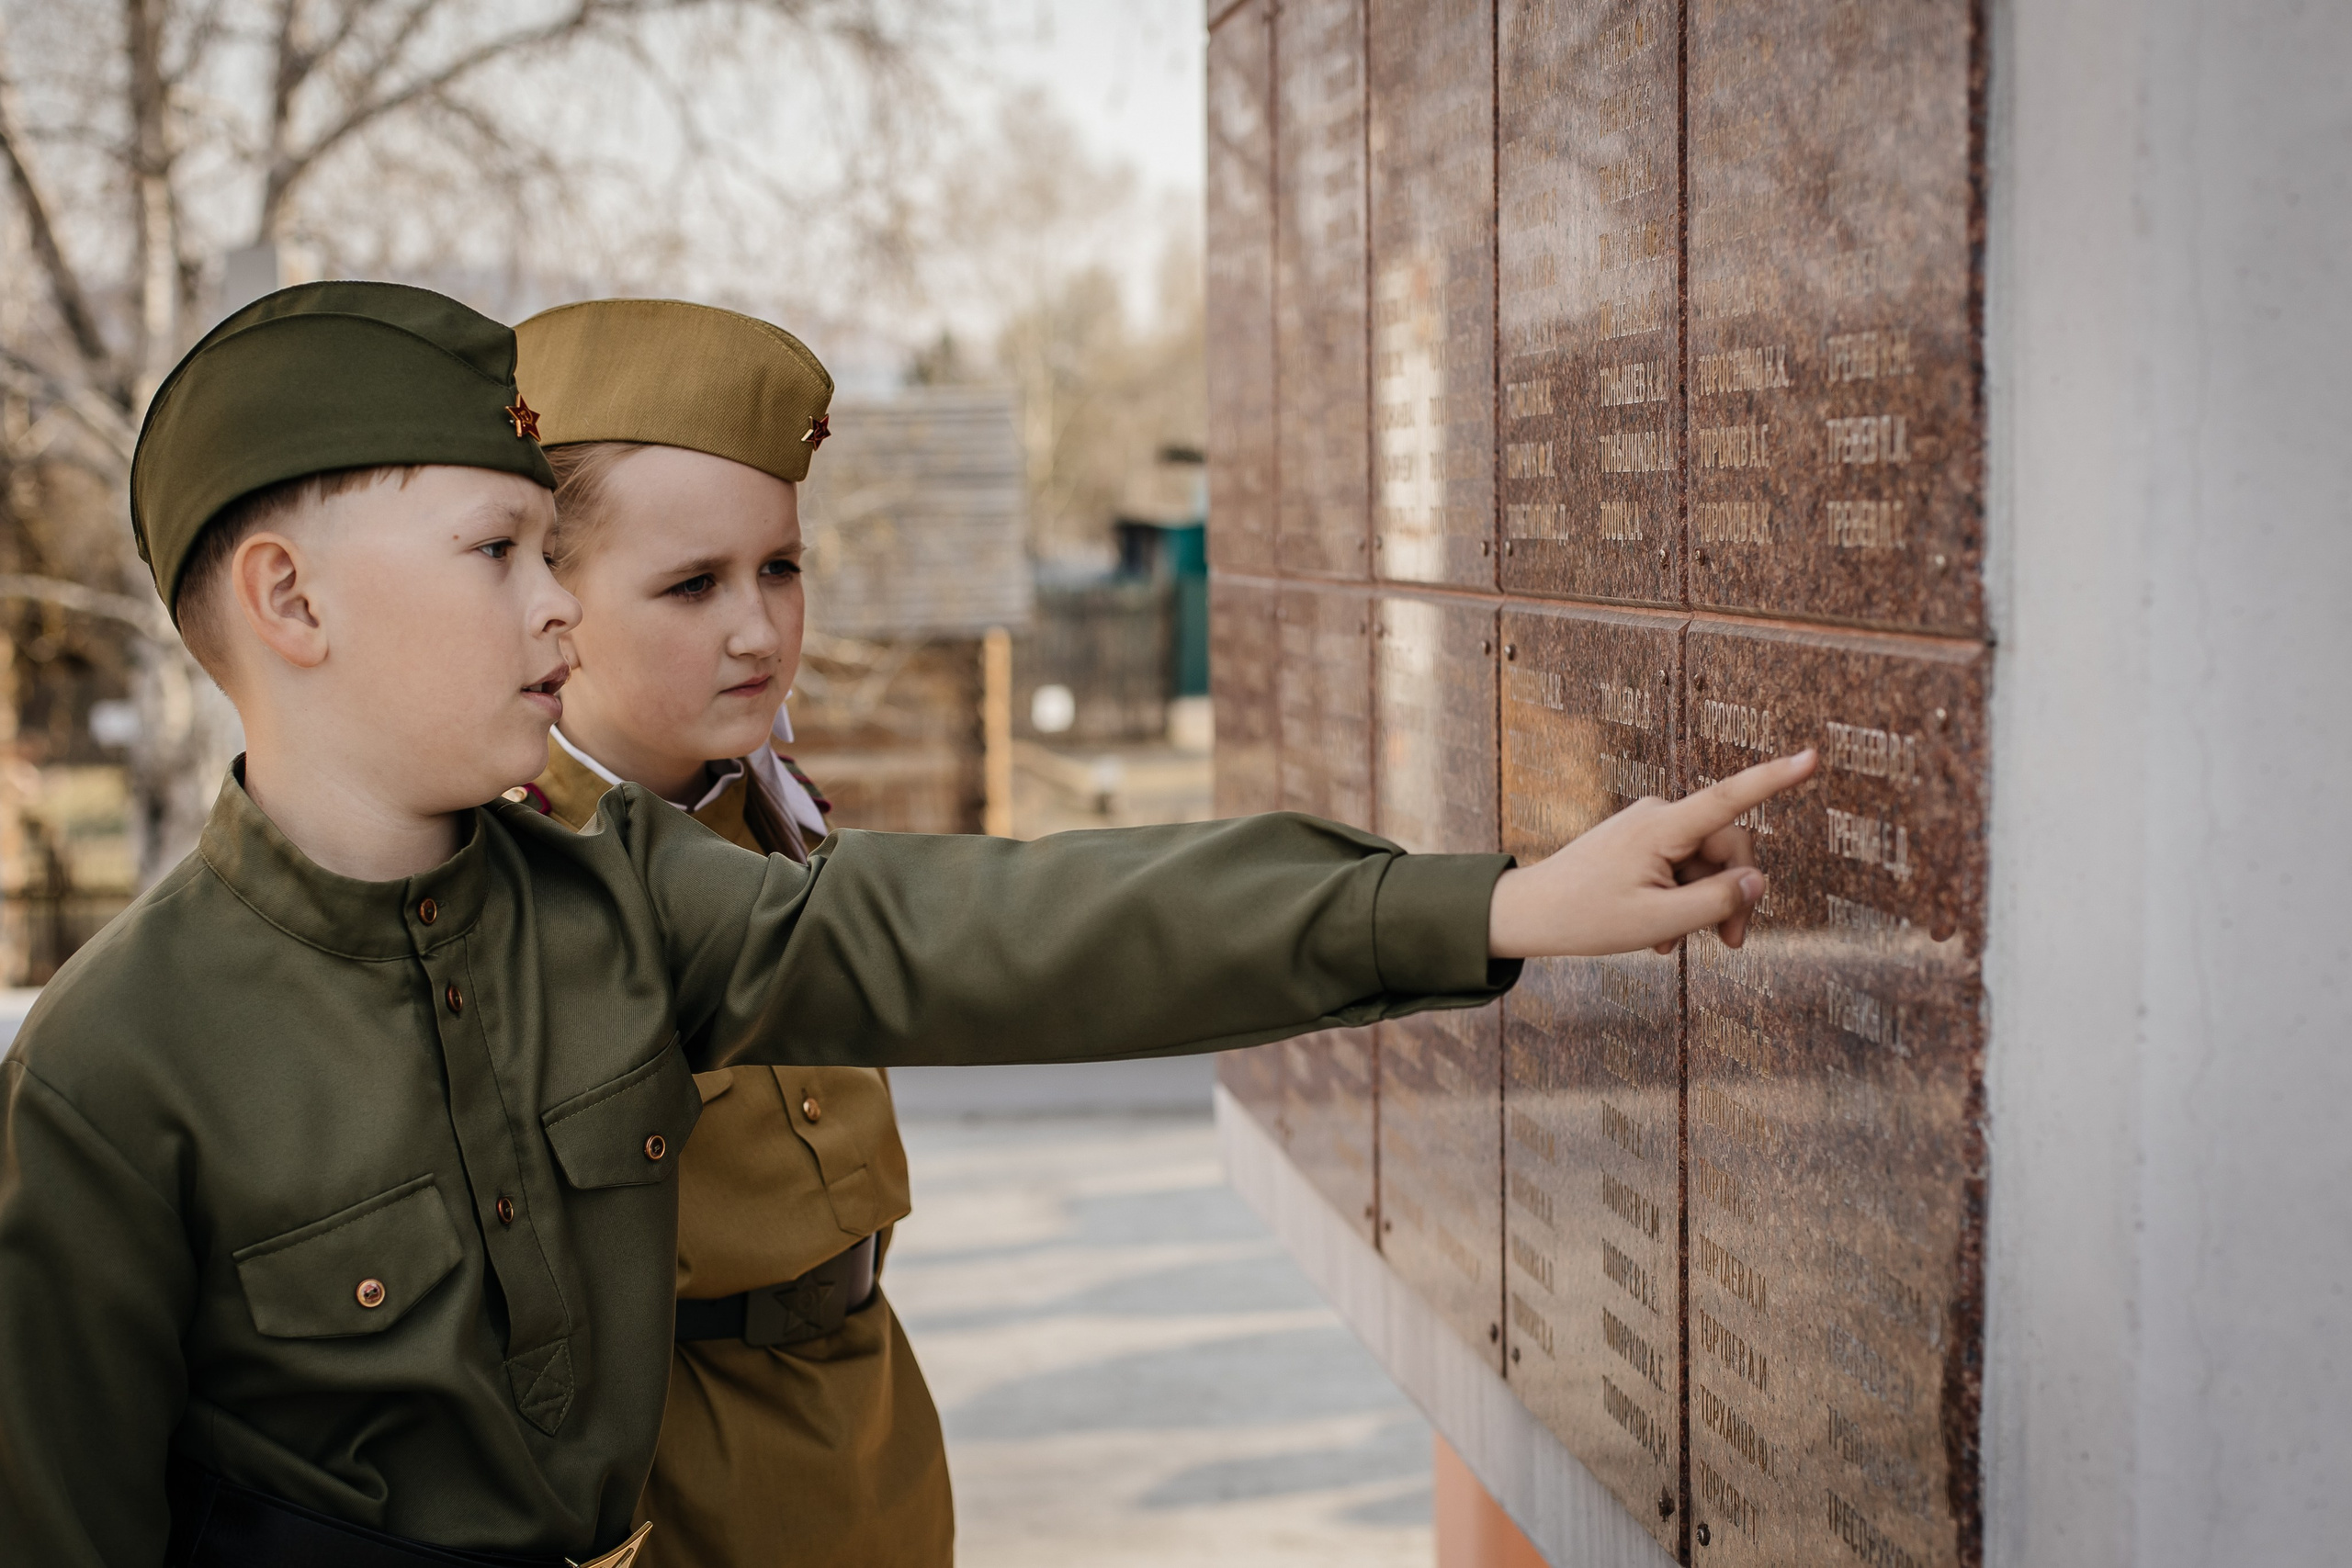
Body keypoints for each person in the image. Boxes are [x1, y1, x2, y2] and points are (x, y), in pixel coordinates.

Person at [0, 280, 1814, 1568]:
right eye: (505, 554)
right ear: (287, 596)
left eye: (561, 552)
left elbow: (1013, 926)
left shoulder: (616, 898)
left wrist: (1487, 900)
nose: (560, 610)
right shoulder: (107, 1079)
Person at [512, 298, 949, 1567]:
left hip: (867, 1426)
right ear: (550, 596)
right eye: (692, 584)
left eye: (780, 568)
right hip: (667, 1478)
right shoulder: (515, 863)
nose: (758, 629)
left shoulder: (769, 802)